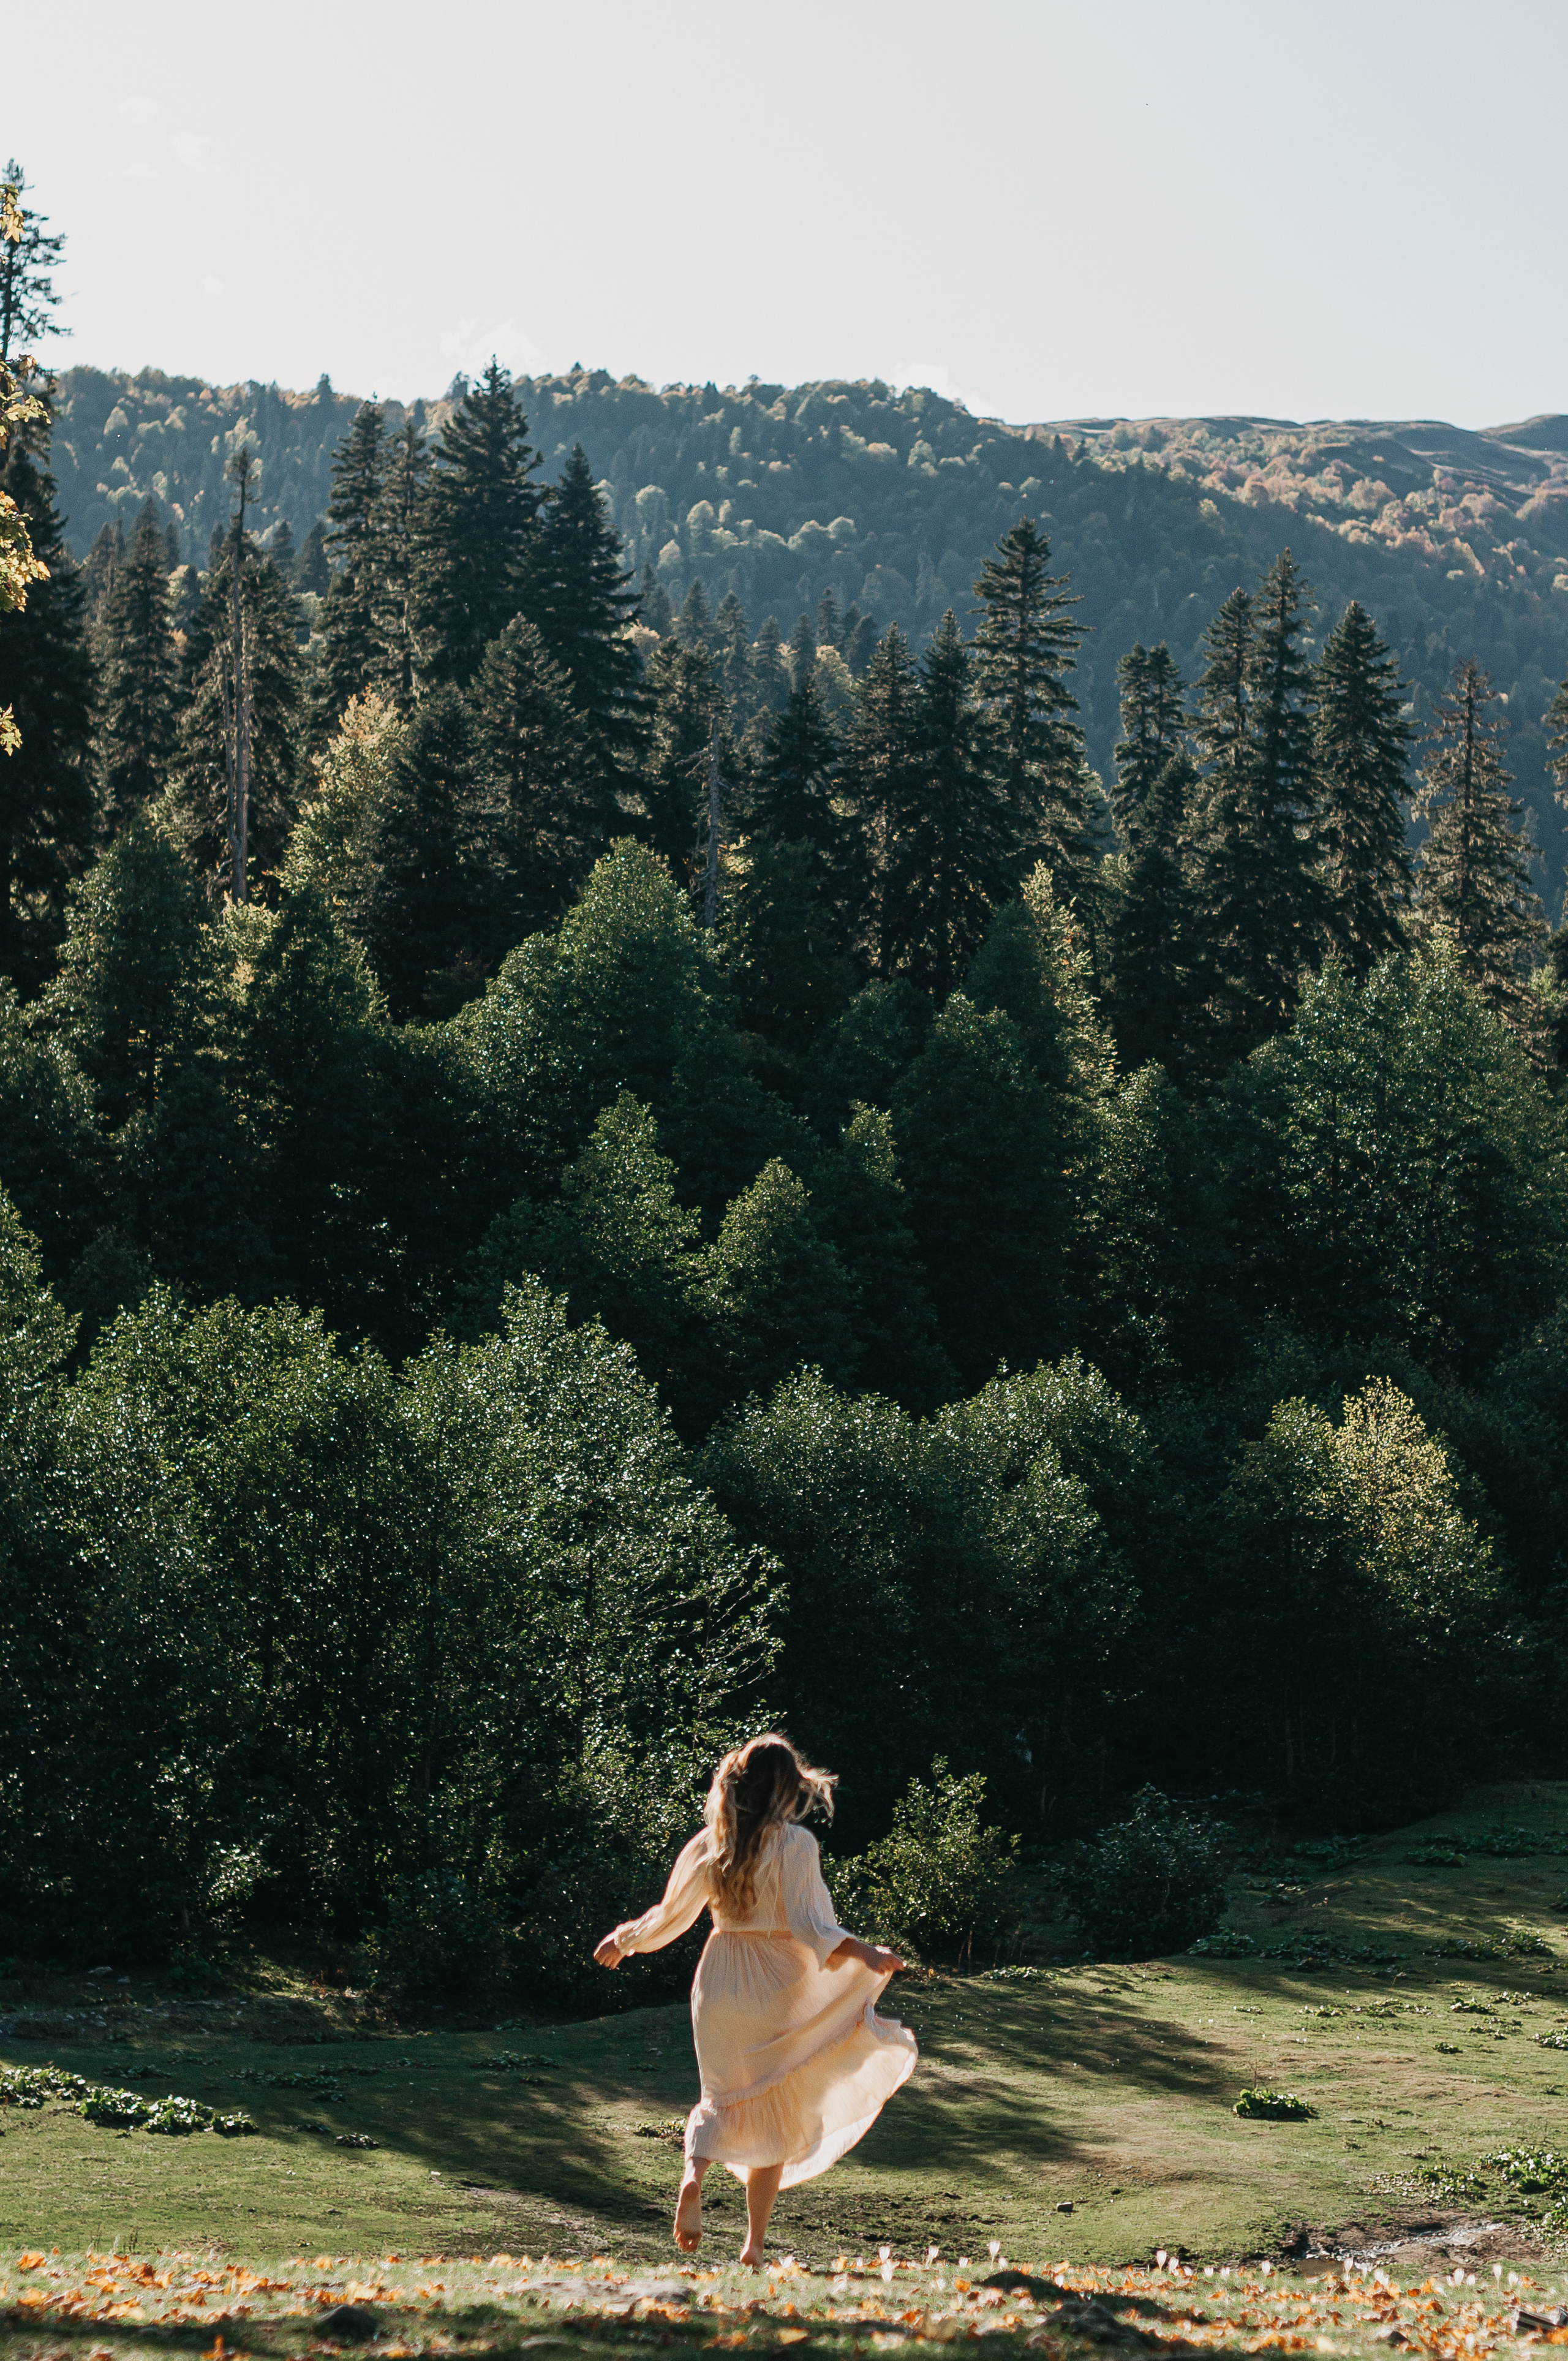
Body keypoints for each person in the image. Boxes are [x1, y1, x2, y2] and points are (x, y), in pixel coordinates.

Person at [594, 1733, 916, 2267]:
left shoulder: (710, 1842)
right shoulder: (795, 1844)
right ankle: (754, 2246)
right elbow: (814, 1929)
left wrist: (625, 1939)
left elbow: (671, 1915)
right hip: (777, 1979)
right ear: (788, 1788)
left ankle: (693, 2176)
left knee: (718, 2096)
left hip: (720, 1978)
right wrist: (872, 1954)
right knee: (773, 2105)